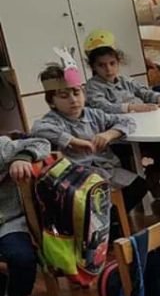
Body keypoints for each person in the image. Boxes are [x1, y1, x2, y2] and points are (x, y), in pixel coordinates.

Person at [32, 60, 147, 236]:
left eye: (76, 93)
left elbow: (127, 121)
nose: (73, 100)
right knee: (89, 202)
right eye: (64, 96)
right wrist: (72, 141)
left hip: (106, 170)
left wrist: (109, 134)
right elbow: (38, 129)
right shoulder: (53, 121)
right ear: (52, 102)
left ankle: (111, 224)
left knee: (139, 185)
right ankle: (101, 230)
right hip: (78, 179)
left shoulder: (94, 114)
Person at [82, 29, 160, 199]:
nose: (108, 69)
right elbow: (102, 107)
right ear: (93, 67)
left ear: (118, 62)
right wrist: (131, 107)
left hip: (143, 127)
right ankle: (140, 189)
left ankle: (152, 179)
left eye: (112, 63)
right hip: (118, 137)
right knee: (127, 160)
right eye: (102, 65)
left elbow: (143, 91)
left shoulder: (125, 80)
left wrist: (158, 97)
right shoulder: (93, 86)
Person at [0, 135, 50, 296]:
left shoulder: (2, 147)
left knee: (22, 257)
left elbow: (42, 142)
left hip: (9, 220)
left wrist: (23, 157)